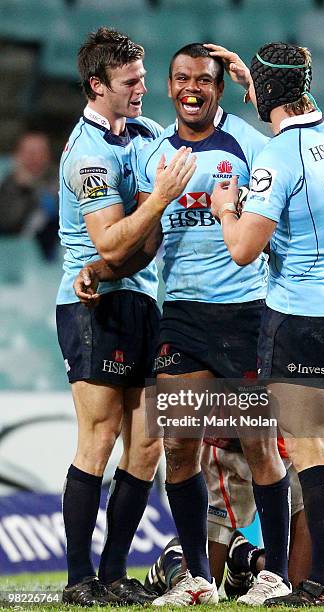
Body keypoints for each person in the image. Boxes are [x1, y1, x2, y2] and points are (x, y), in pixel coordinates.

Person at [74, 43, 293, 607]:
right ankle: (197, 578)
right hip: (183, 318)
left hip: (246, 314)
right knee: (179, 446)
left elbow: (287, 200)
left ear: (218, 89)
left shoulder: (250, 144)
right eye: (181, 78)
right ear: (170, 88)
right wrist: (101, 267)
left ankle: (278, 576)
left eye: (203, 79)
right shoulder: (157, 154)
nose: (191, 87)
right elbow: (146, 241)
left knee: (260, 445)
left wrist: (253, 87)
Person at [209, 41, 324, 606]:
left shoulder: (279, 158)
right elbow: (286, 107)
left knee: (306, 449)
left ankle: (323, 585)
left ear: (267, 91)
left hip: (299, 314)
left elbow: (242, 249)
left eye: (255, 84)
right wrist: (251, 78)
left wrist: (225, 207)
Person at [56, 27, 195, 606]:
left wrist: (143, 222)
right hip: (92, 305)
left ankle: (114, 573)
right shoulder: (86, 155)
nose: (143, 89)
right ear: (97, 85)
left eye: (142, 78)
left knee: (147, 445)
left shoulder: (141, 135)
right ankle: (78, 579)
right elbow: (111, 244)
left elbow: (141, 244)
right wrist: (154, 203)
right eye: (131, 81)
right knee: (101, 436)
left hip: (139, 300)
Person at [144, 437, 311, 598]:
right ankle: (172, 558)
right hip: (235, 444)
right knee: (202, 583)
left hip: (296, 444)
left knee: (299, 588)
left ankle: (242, 553)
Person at [0, 131, 59, 260]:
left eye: (39, 152)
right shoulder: (8, 185)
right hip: (12, 256)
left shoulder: (61, 181)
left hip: (52, 259)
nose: (34, 157)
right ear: (17, 155)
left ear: (48, 156)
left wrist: (34, 187)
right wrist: (24, 190)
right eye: (29, 152)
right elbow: (8, 224)